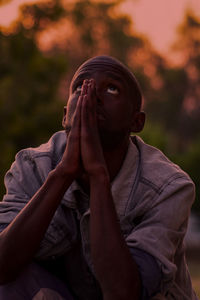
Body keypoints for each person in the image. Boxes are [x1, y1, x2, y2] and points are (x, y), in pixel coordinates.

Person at [0, 55, 197, 300]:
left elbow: (122, 294)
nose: (91, 96)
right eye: (80, 88)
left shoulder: (168, 186)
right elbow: (3, 267)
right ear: (65, 116)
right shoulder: (33, 165)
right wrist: (63, 173)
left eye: (112, 89)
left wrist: (97, 175)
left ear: (137, 121)